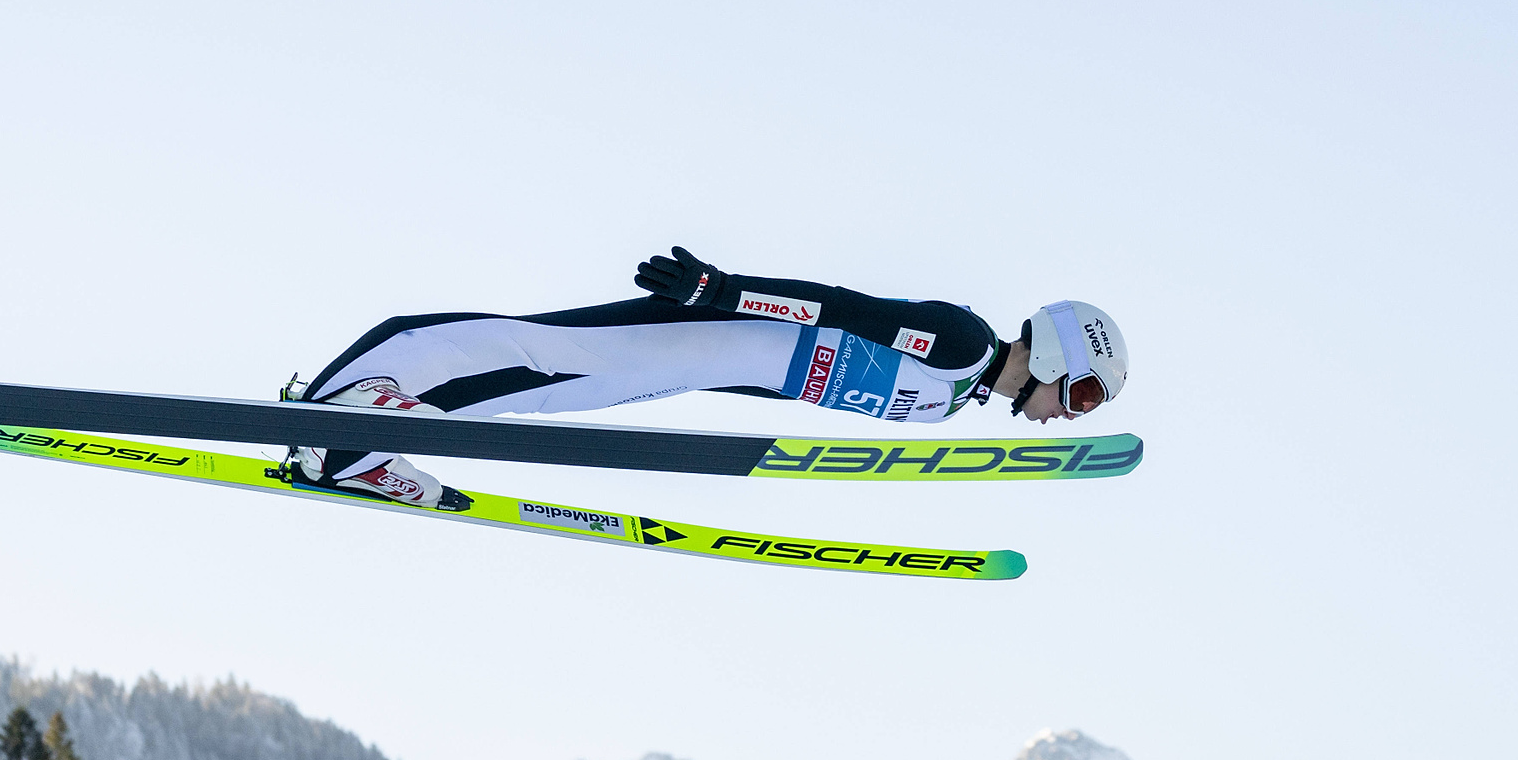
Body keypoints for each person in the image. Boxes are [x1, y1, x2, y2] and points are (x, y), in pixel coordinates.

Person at [283, 247, 1129, 507]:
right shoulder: (963, 345)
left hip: (701, 365)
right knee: (531, 347)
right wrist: (721, 293)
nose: (1071, 414)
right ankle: (351, 399)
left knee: (542, 390)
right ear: (1058, 355)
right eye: (1083, 395)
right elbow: (841, 309)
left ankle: (357, 447)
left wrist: (708, 382)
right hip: (715, 326)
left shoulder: (944, 406)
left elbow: (797, 382)